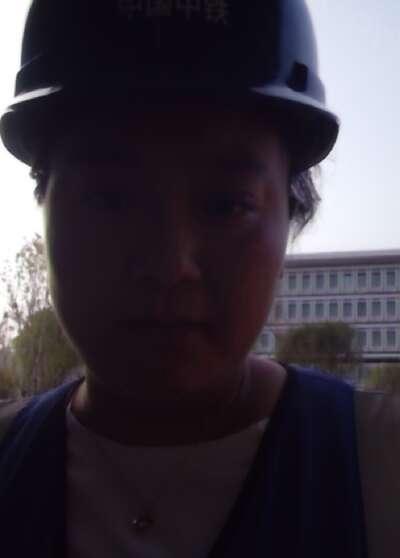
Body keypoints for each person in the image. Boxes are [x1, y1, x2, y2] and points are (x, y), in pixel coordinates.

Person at [0, 1, 399, 557]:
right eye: (111, 200)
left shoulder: (383, 465)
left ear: (290, 217)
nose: (170, 266)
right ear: (42, 203)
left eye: (226, 205)